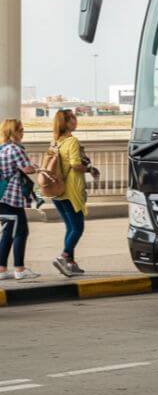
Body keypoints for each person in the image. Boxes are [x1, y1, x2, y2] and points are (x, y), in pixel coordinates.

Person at [51, 110, 94, 276]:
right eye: (72, 119)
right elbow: (75, 164)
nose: (76, 121)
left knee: (70, 227)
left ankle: (70, 264)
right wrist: (89, 169)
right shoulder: (72, 141)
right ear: (66, 123)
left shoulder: (55, 141)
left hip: (57, 191)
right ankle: (64, 257)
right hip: (71, 191)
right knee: (77, 228)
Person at [0, 119, 42, 280]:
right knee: (21, 232)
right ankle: (20, 269)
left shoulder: (2, 148)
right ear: (14, 132)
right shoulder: (15, 149)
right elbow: (27, 169)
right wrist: (36, 167)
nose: (23, 133)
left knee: (8, 233)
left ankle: (2, 270)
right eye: (21, 130)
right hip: (11, 198)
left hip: (1, 197)